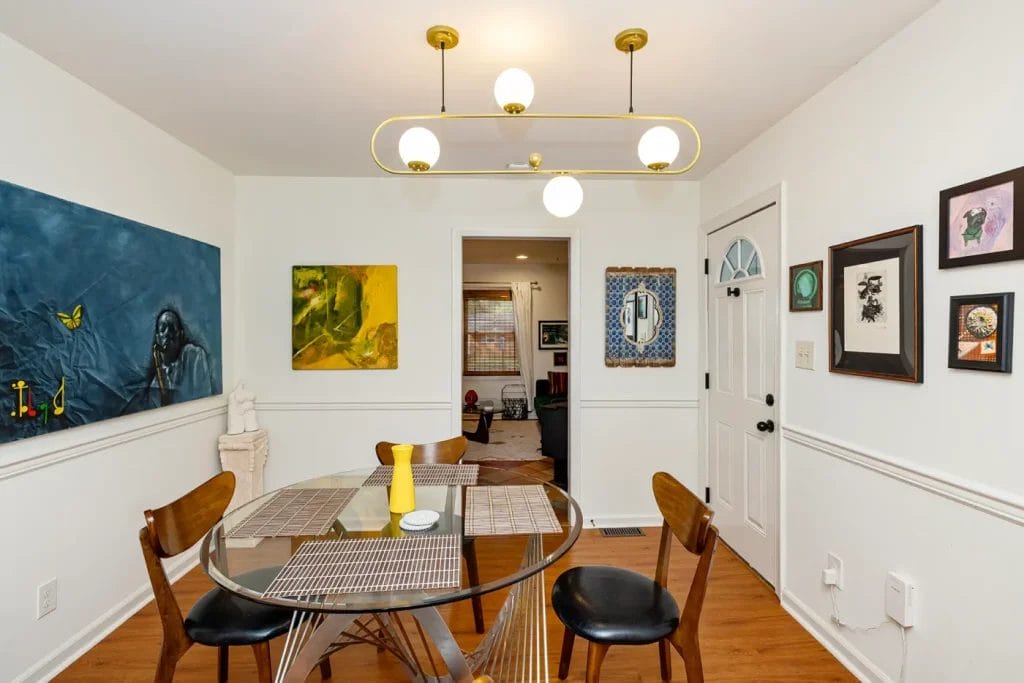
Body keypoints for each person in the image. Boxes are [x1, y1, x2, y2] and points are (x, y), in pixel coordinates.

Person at [149, 309, 214, 406]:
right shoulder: (155, 384)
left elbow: (204, 398)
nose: (167, 334)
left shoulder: (194, 355)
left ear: (181, 335)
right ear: (158, 339)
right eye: (163, 329)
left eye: (172, 329)